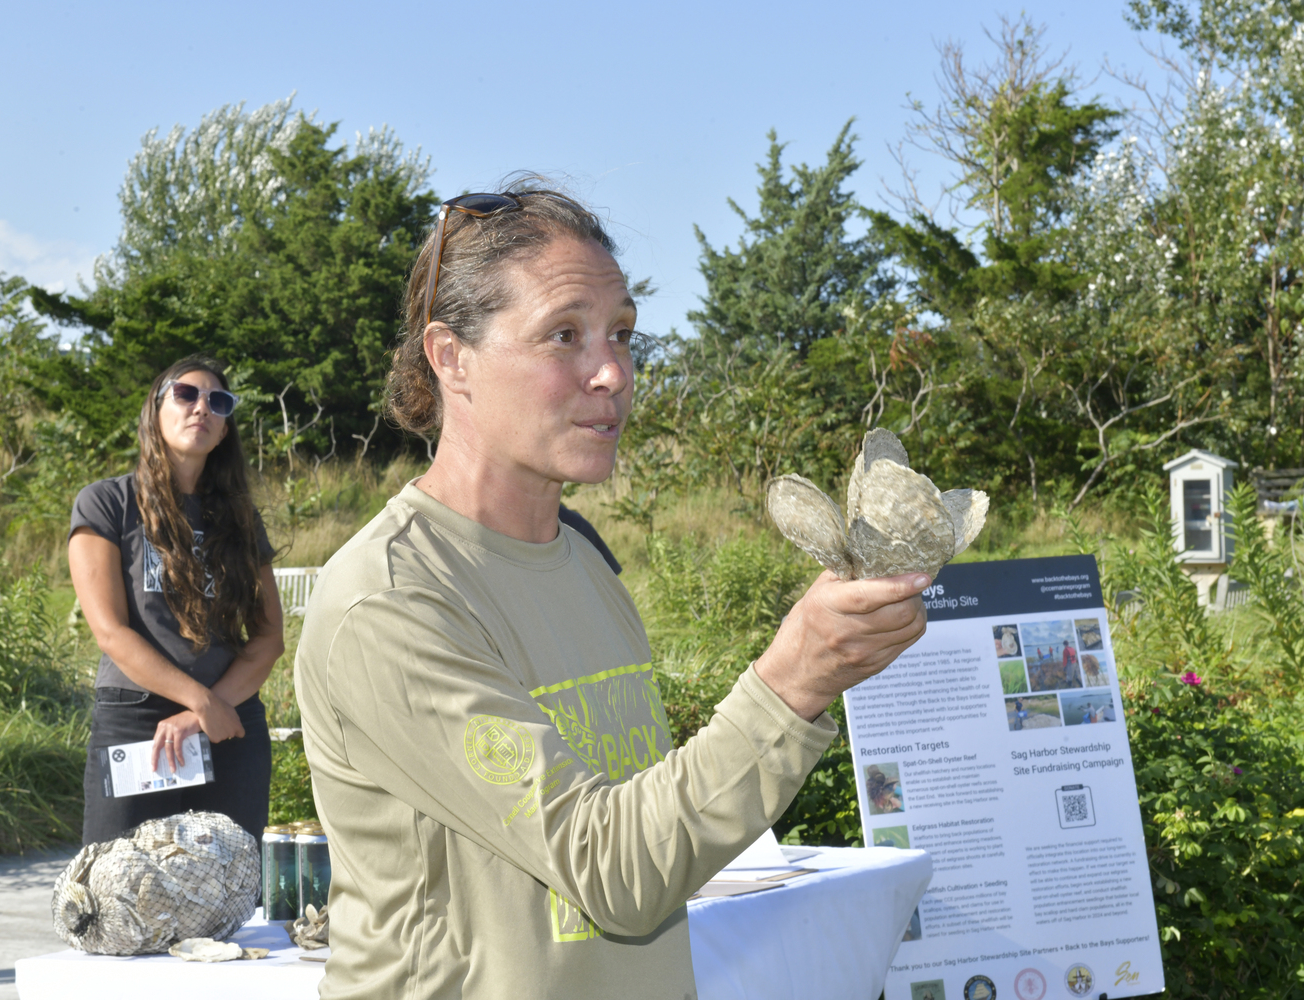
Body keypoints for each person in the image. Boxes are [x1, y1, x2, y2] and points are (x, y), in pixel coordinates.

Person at [293, 185, 928, 998]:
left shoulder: (583, 559)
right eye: (565, 334)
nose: (612, 371)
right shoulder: (390, 601)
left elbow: (650, 835)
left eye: (622, 333)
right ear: (451, 357)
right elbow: (613, 872)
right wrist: (795, 679)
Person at [69, 357, 284, 846]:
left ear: (226, 429)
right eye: (185, 394)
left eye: (218, 401)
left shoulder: (241, 519)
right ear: (155, 410)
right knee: (118, 885)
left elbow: (269, 636)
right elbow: (110, 631)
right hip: (139, 721)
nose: (201, 407)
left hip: (229, 724)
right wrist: (198, 701)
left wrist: (209, 709)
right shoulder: (106, 503)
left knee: (228, 889)